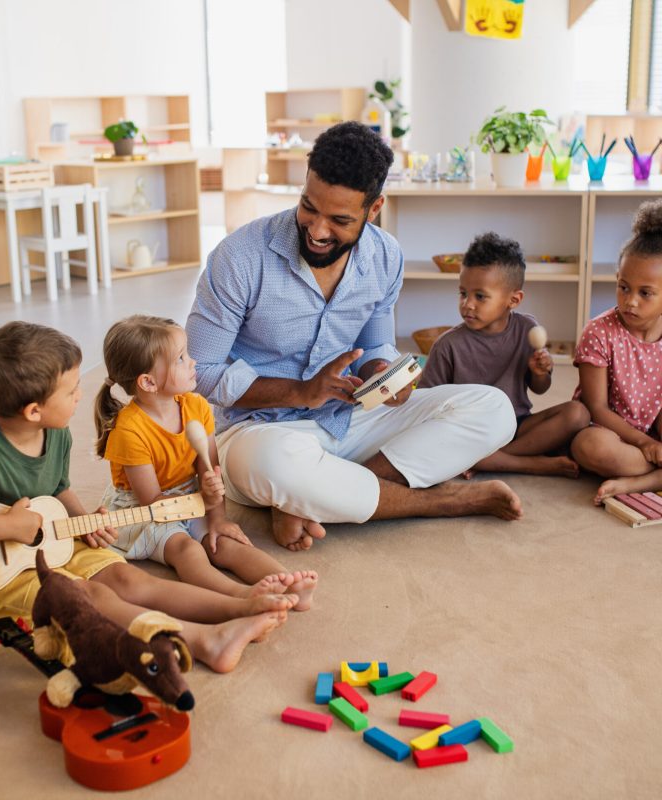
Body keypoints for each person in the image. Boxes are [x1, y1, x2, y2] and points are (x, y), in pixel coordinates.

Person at [186, 121, 522, 552]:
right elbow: (200, 372)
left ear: (374, 207)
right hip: (259, 431)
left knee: (494, 410)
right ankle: (439, 500)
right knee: (277, 464)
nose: (318, 230)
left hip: (348, 418)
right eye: (309, 206)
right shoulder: (239, 257)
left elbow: (377, 343)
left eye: (340, 219)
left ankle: (315, 496)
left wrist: (384, 373)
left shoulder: (386, 256)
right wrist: (301, 392)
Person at [0, 322, 289, 675]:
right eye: (71, 390)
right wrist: (5, 526)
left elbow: (57, 488)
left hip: (57, 540)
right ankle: (204, 641)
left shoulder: (56, 433)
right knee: (89, 597)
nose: (81, 395)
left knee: (128, 579)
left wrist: (83, 520)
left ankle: (238, 605)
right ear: (33, 410)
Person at [94, 315, 318, 610]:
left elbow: (208, 466)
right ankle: (241, 595)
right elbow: (153, 501)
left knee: (223, 541)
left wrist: (217, 516)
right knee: (187, 549)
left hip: (187, 493)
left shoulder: (196, 405)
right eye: (181, 358)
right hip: (147, 508)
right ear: (148, 382)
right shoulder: (129, 431)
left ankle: (288, 582)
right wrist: (204, 498)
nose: (194, 362)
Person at [419, 232, 590, 478]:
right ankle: (526, 463)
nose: (467, 304)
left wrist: (540, 372)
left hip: (516, 424)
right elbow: (424, 406)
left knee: (578, 413)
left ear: (514, 299)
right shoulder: (447, 345)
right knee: (430, 441)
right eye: (463, 293)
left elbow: (540, 389)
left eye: (480, 296)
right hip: (468, 431)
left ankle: (487, 460)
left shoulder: (527, 329)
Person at [570, 200, 662, 504]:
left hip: (653, 432)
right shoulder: (598, 333)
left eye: (645, 293)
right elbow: (596, 409)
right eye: (624, 287)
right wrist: (644, 443)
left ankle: (636, 482)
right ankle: (652, 476)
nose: (630, 301)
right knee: (588, 447)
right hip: (609, 431)